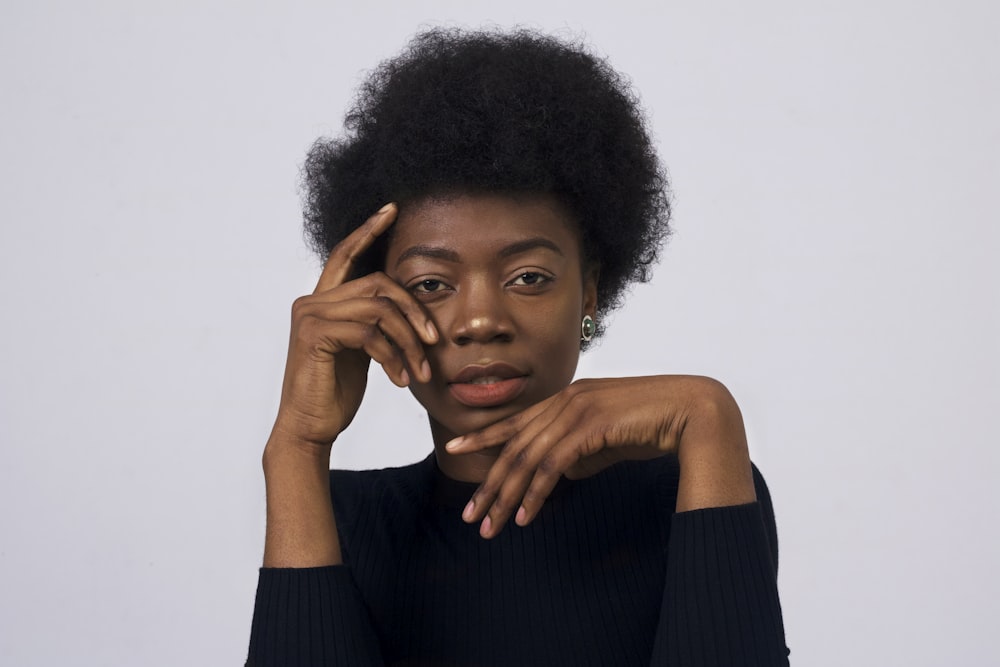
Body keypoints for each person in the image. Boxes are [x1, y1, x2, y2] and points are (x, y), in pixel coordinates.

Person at [246, 28, 790, 666]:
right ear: (372, 308)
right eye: (431, 284)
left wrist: (710, 416)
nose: (480, 321)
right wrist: (296, 445)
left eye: (527, 277)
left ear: (588, 294)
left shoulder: (691, 489)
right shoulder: (343, 520)